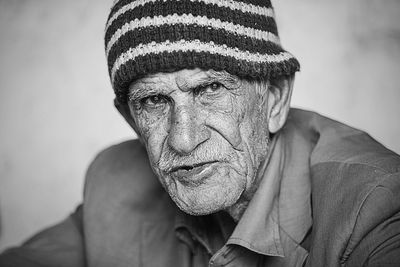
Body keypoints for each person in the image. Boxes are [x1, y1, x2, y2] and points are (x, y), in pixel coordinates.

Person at [1, 0, 399, 266]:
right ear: (131, 121)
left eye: (210, 89)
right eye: (154, 101)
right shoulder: (114, 183)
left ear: (274, 98)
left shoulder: (376, 208)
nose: (183, 140)